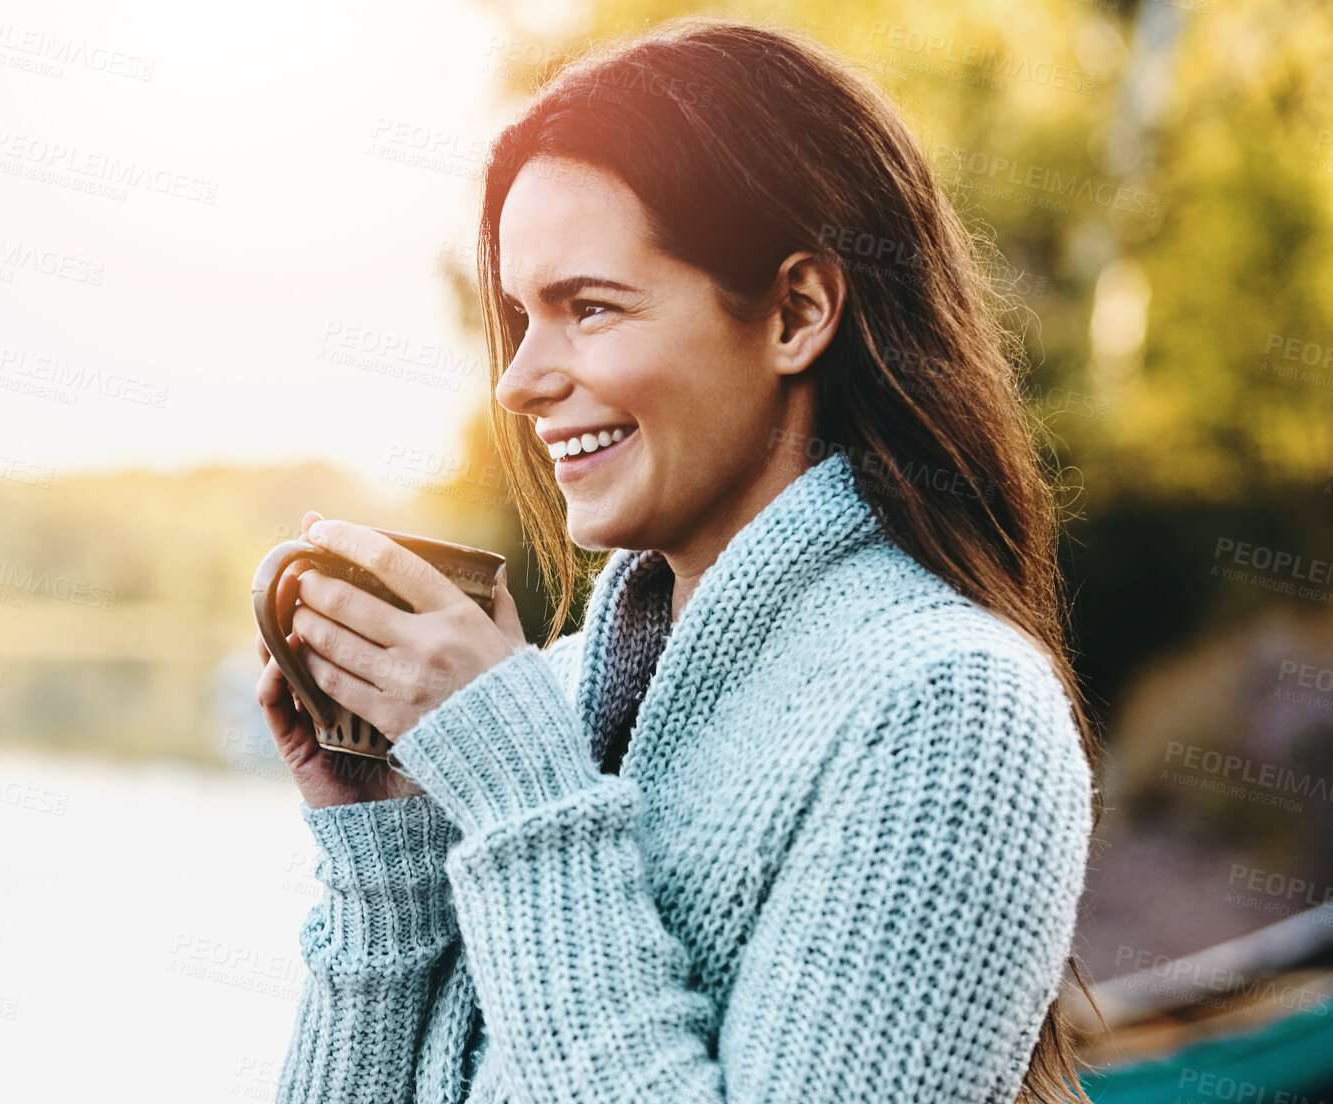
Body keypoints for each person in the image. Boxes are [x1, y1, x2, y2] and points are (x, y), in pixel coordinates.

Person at [255, 16, 1102, 1103]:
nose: (517, 380)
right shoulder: (547, 703)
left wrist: (525, 805)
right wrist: (386, 865)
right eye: (518, 317)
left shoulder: (950, 709)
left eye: (587, 309)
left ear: (795, 312)